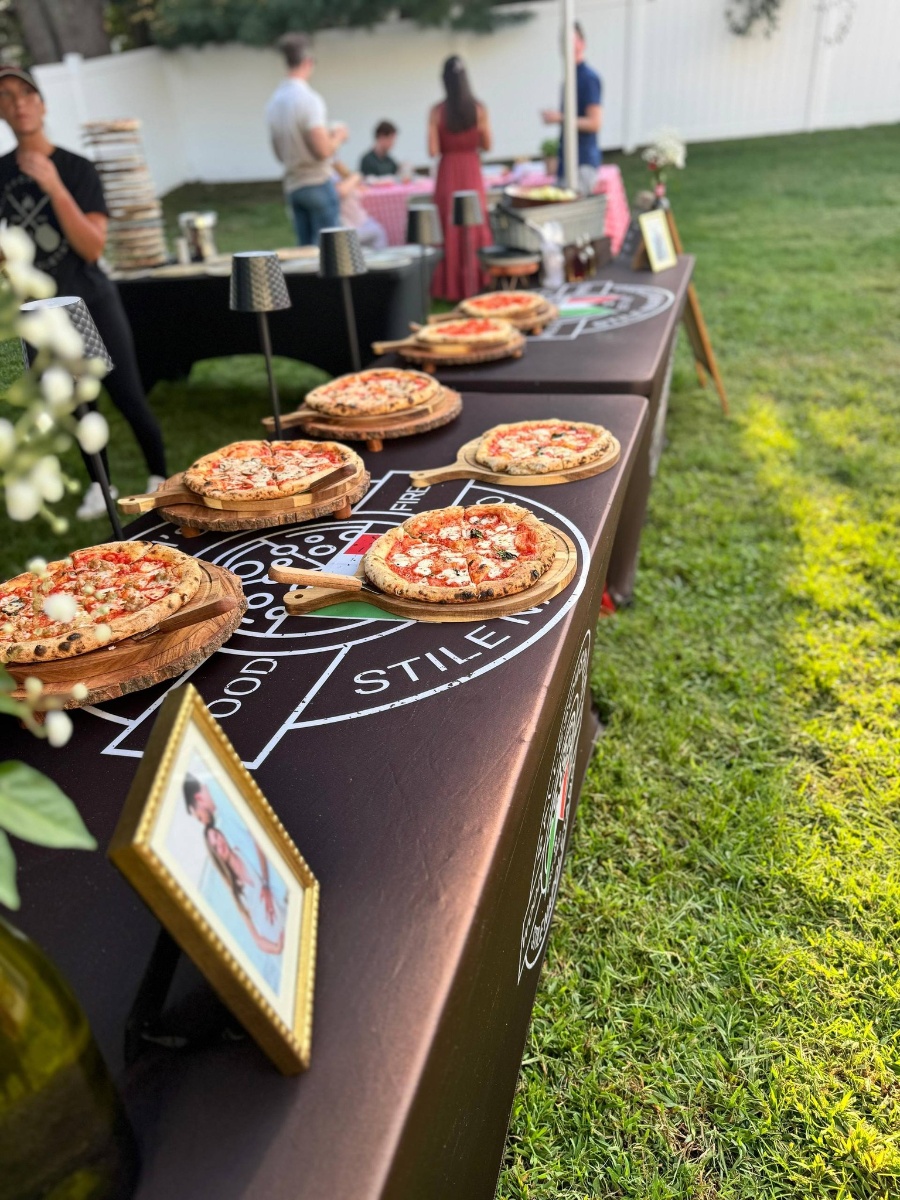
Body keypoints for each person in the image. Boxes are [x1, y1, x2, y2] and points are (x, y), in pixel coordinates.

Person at [0, 64, 167, 518]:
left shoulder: (76, 168)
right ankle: (101, 484)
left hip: (90, 300)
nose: (17, 102)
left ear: (42, 103)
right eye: (6, 95)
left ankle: (159, 476)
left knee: (127, 394)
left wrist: (52, 185)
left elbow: (92, 246)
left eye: (25, 93)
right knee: (75, 403)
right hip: (39, 312)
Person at [266, 32, 348, 246]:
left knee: (305, 255)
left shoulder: (274, 102)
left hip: (293, 185)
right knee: (330, 254)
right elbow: (322, 150)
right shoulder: (309, 100)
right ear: (308, 61)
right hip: (317, 181)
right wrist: (338, 137)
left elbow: (278, 152)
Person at [428, 56, 492, 302]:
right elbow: (487, 144)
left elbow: (433, 150)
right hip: (471, 171)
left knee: (448, 227)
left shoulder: (436, 112)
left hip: (448, 173)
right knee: (474, 225)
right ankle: (476, 281)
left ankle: (449, 287)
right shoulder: (479, 109)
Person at [204, 825, 287, 958]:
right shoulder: (234, 890)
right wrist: (277, 948)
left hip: (286, 912)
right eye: (215, 847)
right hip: (279, 940)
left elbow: (261, 847)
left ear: (222, 833)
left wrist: (265, 883)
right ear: (216, 856)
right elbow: (257, 939)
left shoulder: (243, 850)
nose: (220, 844)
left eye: (217, 836)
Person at [541, 22, 603, 196]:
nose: (566, 45)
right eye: (563, 41)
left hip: (582, 161)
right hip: (566, 162)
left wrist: (561, 118)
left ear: (582, 44)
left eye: (571, 40)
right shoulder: (569, 78)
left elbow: (594, 123)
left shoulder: (588, 78)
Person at [333, 163, 388, 249]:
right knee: (379, 233)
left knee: (378, 229)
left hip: (358, 221)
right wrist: (356, 176)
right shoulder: (333, 177)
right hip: (349, 225)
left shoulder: (340, 176)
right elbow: (341, 192)